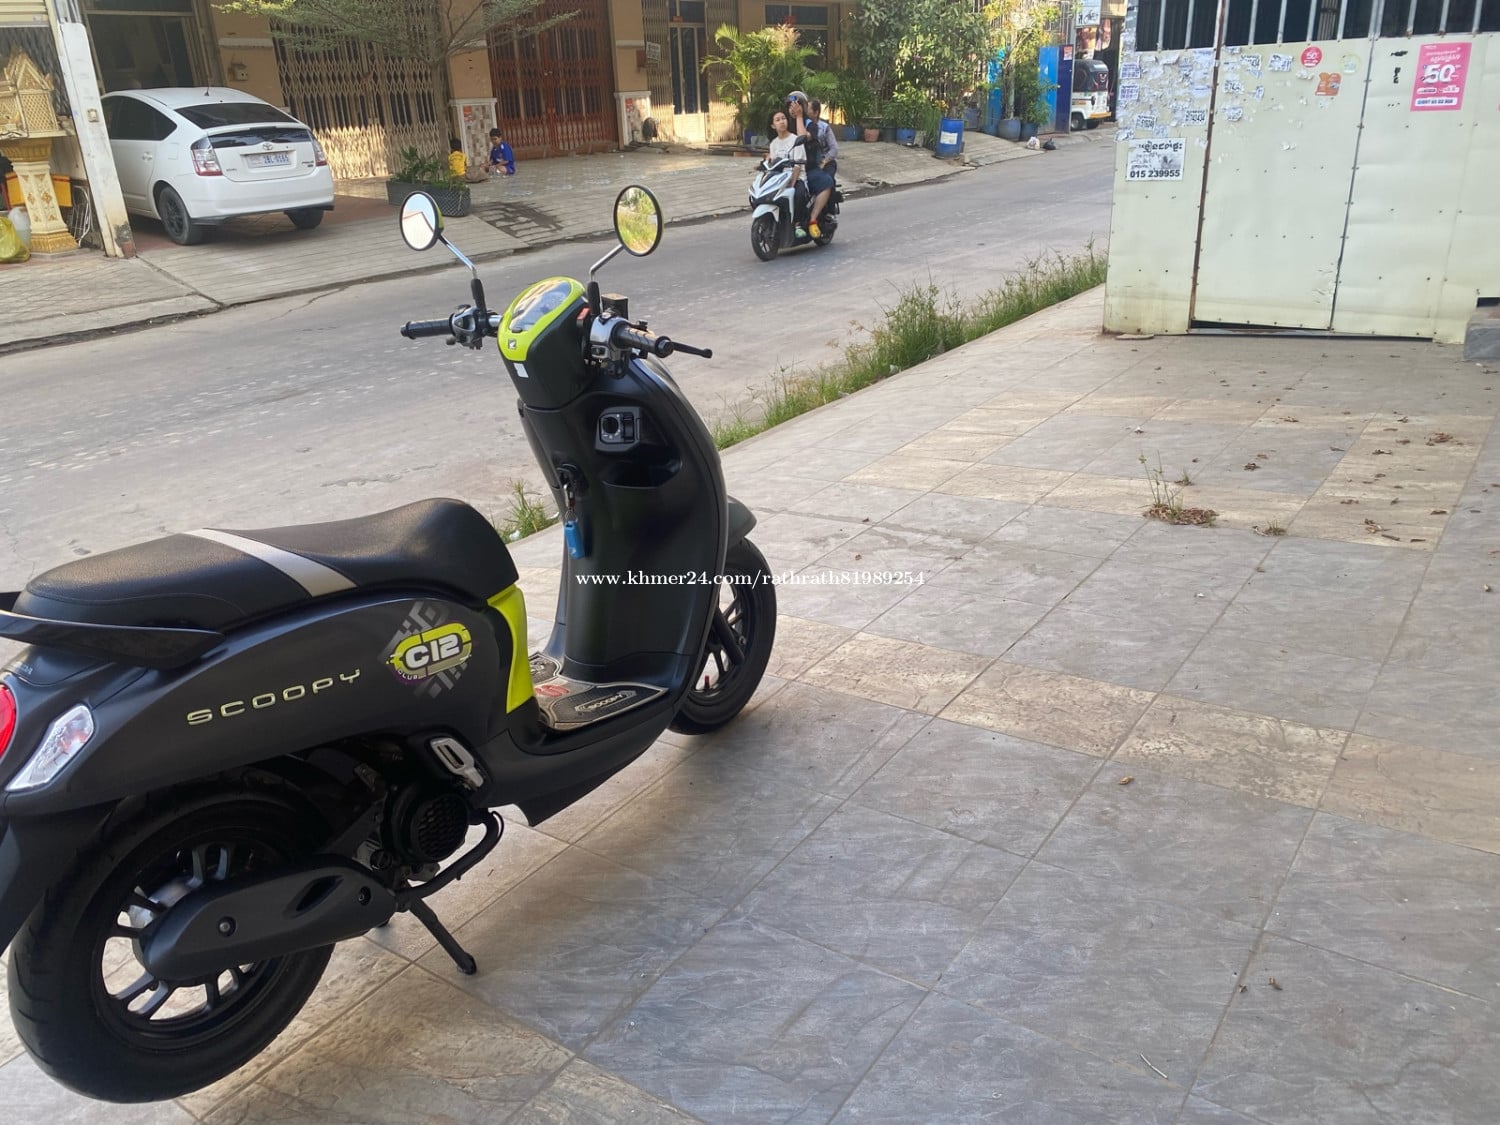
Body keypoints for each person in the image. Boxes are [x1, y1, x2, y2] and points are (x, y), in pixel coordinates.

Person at [786, 92, 833, 240]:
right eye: (791, 106)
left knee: (827, 182)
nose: (793, 109)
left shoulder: (811, 125)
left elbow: (802, 138)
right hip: (787, 169)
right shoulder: (785, 123)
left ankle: (812, 219)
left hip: (807, 169)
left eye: (797, 106)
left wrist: (799, 117)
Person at [765, 108, 808, 239]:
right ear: (773, 125)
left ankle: (798, 225)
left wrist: (791, 184)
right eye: (777, 120)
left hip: (797, 177)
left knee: (797, 194)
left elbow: (798, 166)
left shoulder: (795, 140)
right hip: (780, 179)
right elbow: (773, 165)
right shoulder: (774, 144)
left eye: (783, 118)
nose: (782, 122)